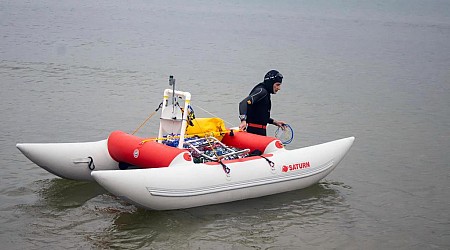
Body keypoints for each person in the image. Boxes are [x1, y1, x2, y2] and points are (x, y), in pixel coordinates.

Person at [238, 70, 286, 136]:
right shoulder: (261, 91)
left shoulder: (266, 93)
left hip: (260, 132)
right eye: (277, 85)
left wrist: (275, 122)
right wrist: (243, 120)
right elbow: (243, 103)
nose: (279, 88)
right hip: (253, 132)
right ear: (270, 83)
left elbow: (260, 115)